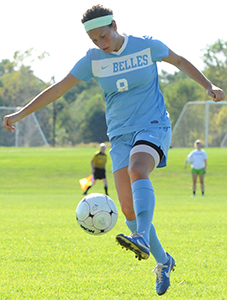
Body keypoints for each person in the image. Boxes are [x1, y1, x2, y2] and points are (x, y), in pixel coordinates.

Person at [3, 4, 225, 296]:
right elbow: (58, 88)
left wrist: (208, 85)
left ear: (115, 25)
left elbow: (180, 61)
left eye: (103, 36)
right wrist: (20, 113)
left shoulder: (146, 45)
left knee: (138, 168)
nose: (100, 43)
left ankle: (141, 238)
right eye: (94, 40)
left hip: (153, 124)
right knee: (129, 210)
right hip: (119, 136)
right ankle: (163, 261)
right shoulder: (92, 60)